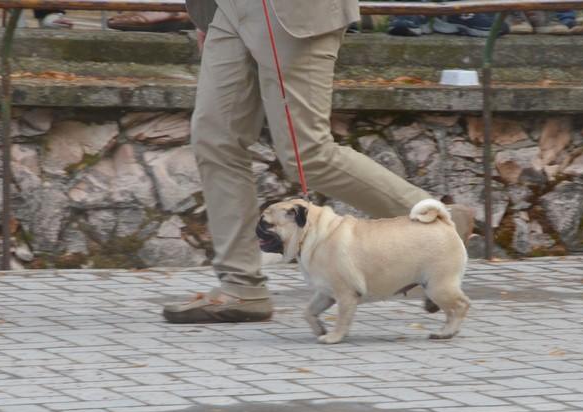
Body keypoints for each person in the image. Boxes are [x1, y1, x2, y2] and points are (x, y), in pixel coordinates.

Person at [165, 0, 473, 324]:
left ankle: (437, 225)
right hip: (227, 9)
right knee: (215, 140)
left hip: (292, 12)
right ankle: (240, 287)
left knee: (307, 153)